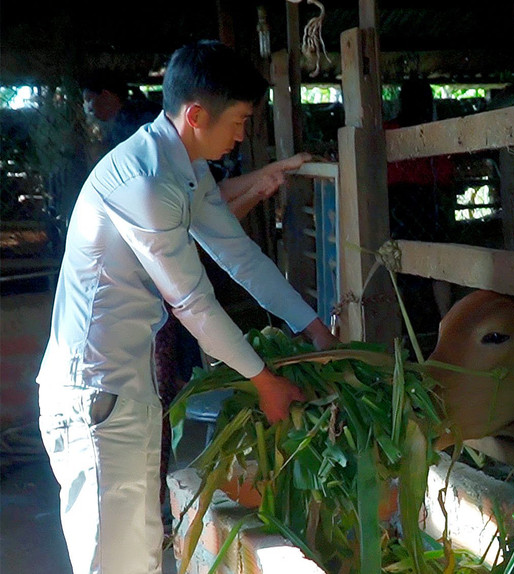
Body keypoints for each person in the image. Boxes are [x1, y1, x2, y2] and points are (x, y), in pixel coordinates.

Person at [37, 40, 338, 574]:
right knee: (113, 563)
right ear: (196, 115)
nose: (243, 134)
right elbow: (192, 303)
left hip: (125, 389)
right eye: (240, 121)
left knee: (142, 557)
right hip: (95, 396)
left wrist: (313, 325)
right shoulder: (145, 182)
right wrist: (264, 381)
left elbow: (240, 256)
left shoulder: (186, 170)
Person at [384, 79, 455, 335]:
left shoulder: (388, 130)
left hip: (396, 204)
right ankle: (444, 321)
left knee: (397, 261)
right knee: (438, 261)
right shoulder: (434, 133)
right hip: (425, 203)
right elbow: (446, 175)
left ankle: (398, 327)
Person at [81, 71, 163, 152]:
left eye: (89, 100)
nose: (87, 108)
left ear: (106, 96)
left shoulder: (135, 120)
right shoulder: (119, 123)